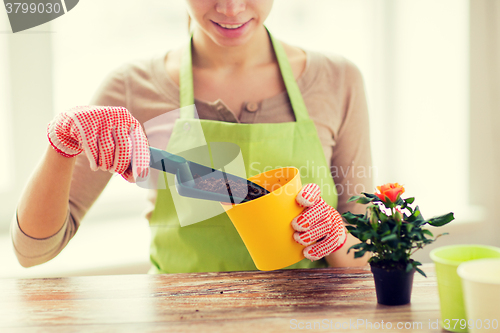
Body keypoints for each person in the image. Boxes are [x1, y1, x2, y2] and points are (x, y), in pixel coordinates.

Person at [12, 0, 373, 273]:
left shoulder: (338, 81)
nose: (231, 8)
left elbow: (369, 255)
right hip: (179, 321)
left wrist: (336, 238)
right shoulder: (131, 88)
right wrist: (62, 144)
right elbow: (32, 253)